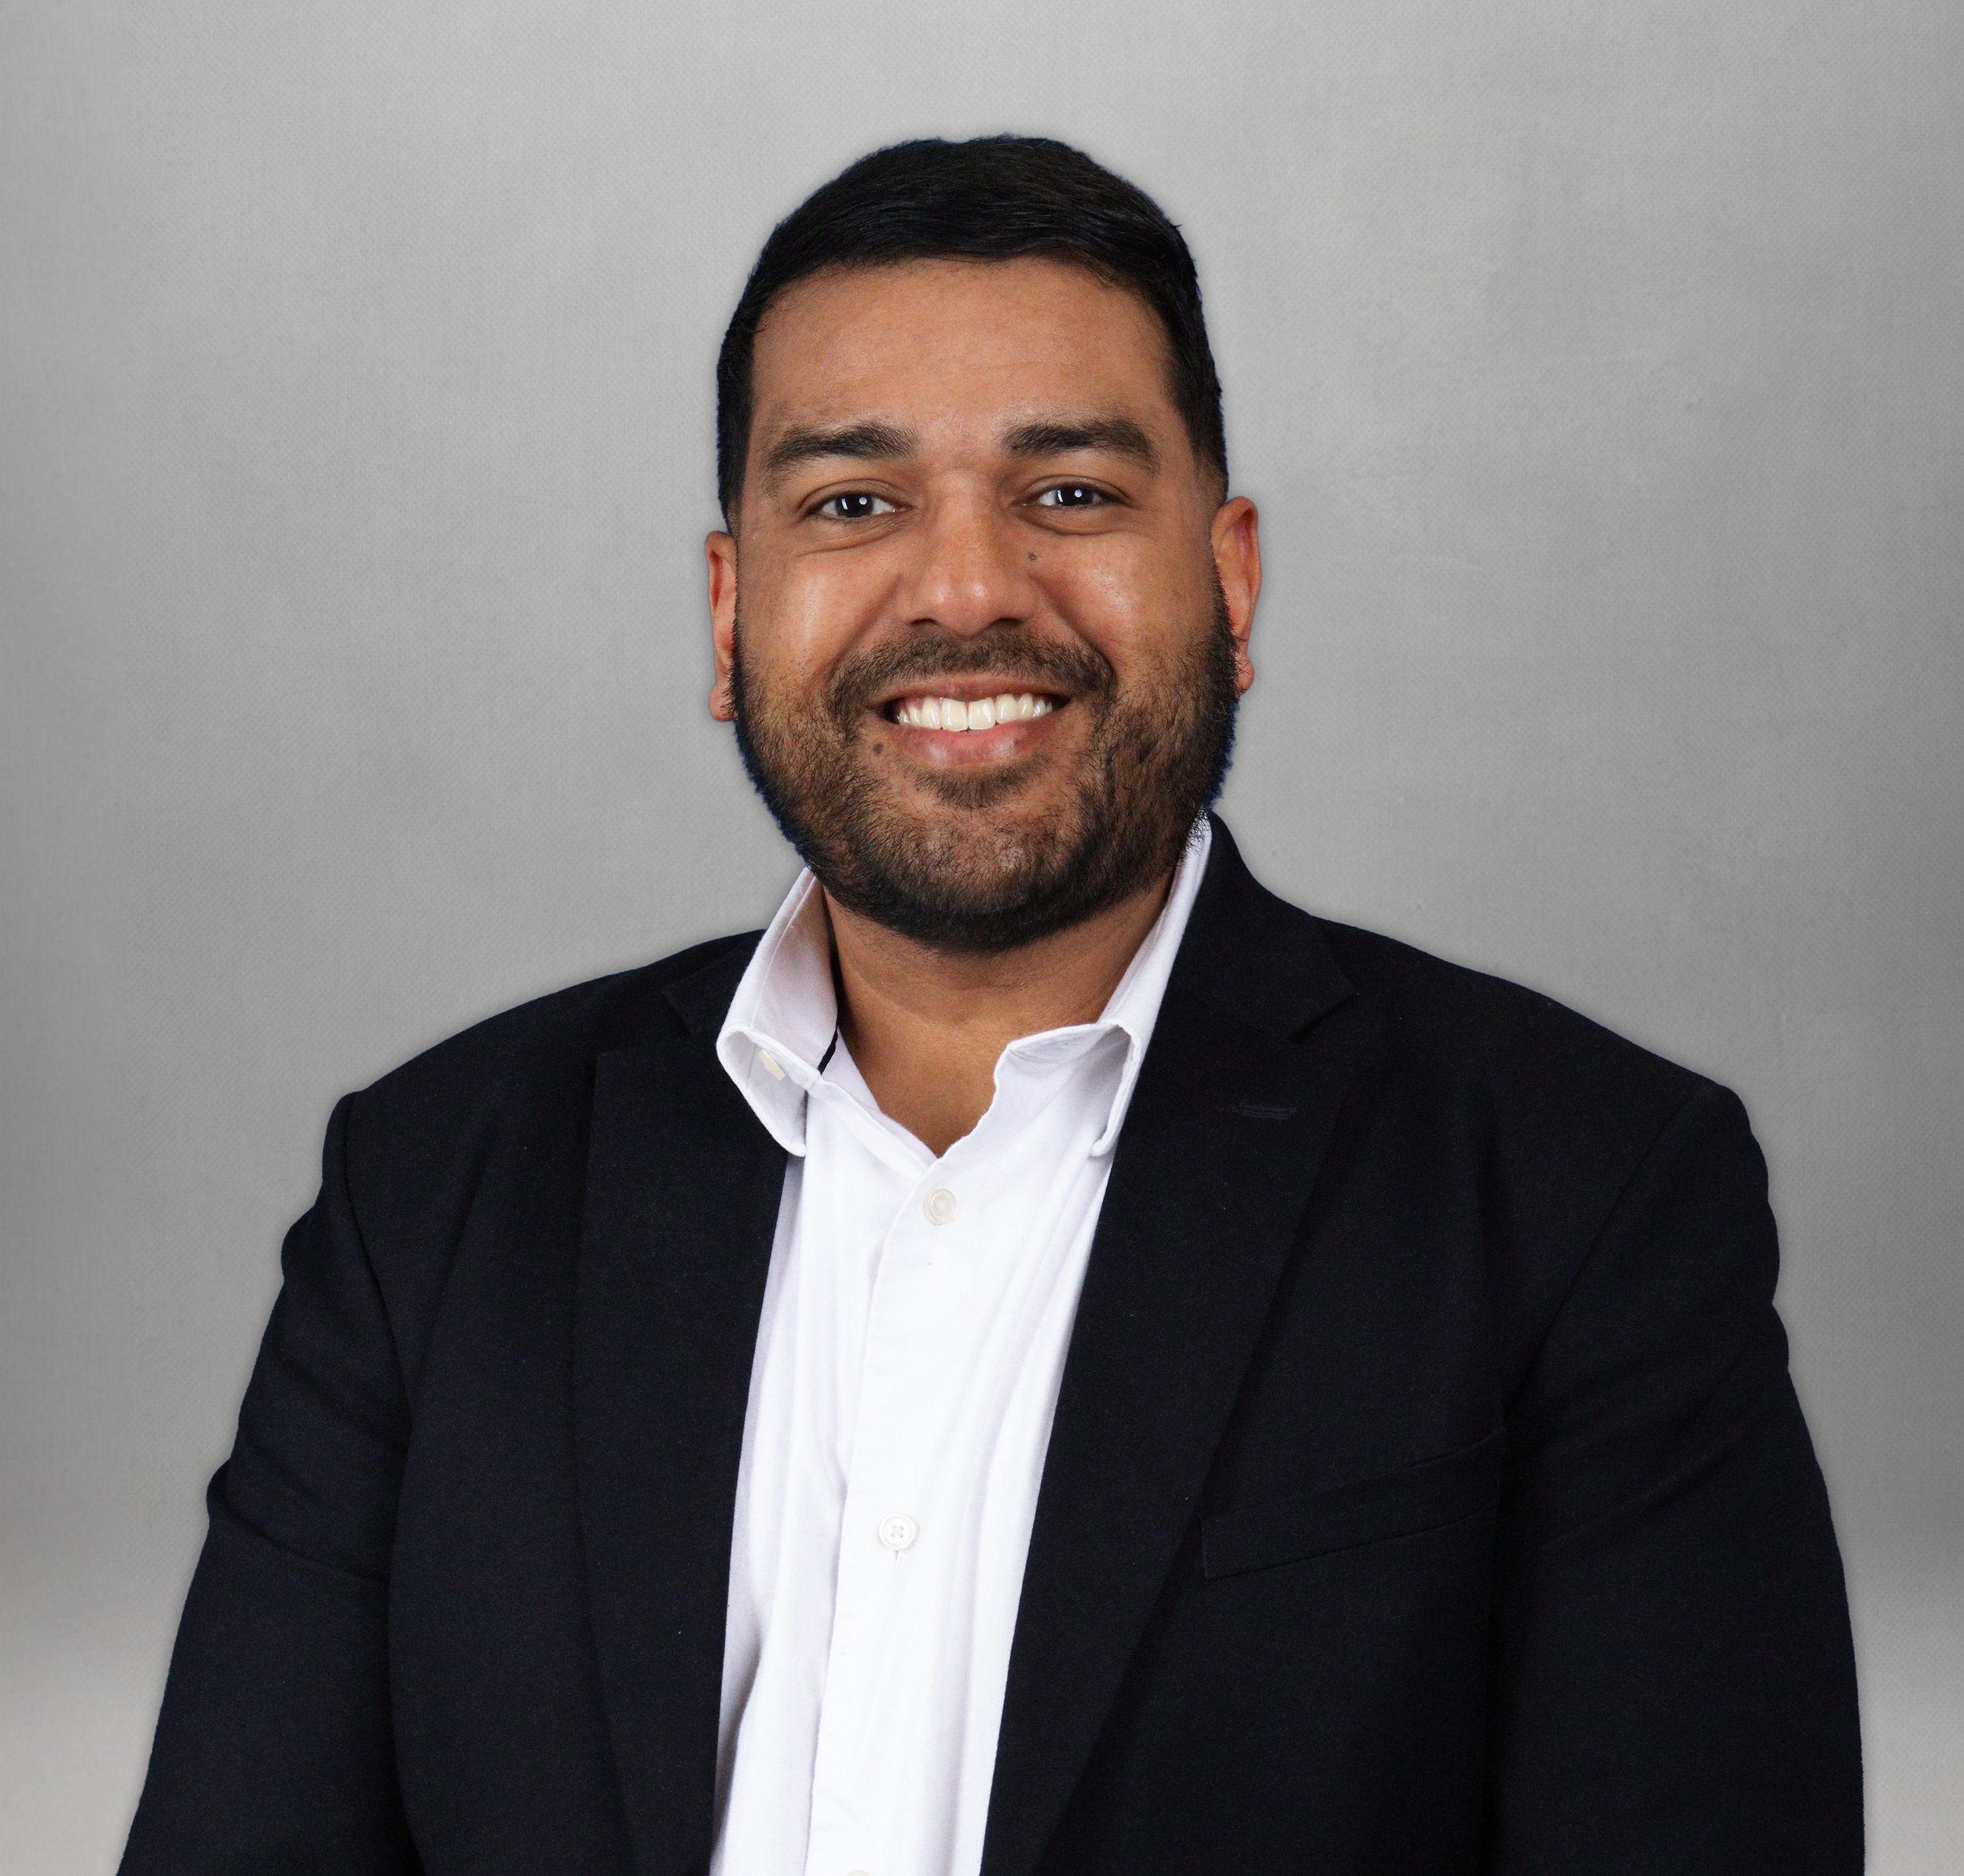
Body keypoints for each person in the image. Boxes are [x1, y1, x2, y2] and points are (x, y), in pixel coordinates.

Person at [120, 135, 1862, 1876]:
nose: (963, 589)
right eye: (852, 504)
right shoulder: (431, 1195)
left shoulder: (1584, 1198)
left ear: (1230, 580)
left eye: (1071, 494)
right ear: (731, 613)